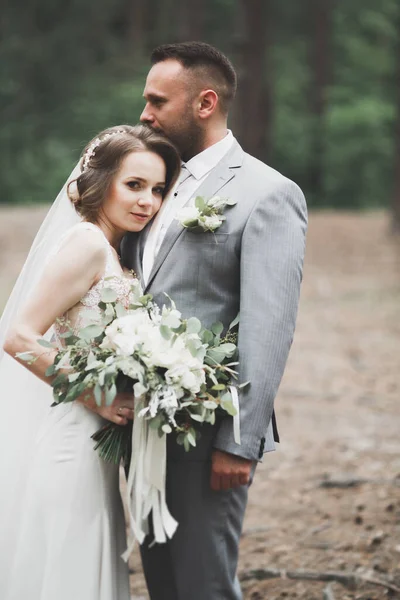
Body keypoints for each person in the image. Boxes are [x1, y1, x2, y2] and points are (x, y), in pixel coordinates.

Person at [121, 42, 308, 600]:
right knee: (162, 579)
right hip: (143, 420)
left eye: (157, 101)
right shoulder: (150, 183)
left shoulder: (268, 193)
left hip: (208, 430)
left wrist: (238, 441)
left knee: (204, 581)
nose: (145, 114)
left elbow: (268, 325)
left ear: (205, 103)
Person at [0, 124, 181, 600]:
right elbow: (18, 336)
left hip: (92, 439)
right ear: (101, 183)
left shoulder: (113, 248)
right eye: (135, 185)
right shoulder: (85, 244)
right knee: (70, 561)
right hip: (73, 435)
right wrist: (95, 396)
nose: (148, 201)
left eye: (159, 189)